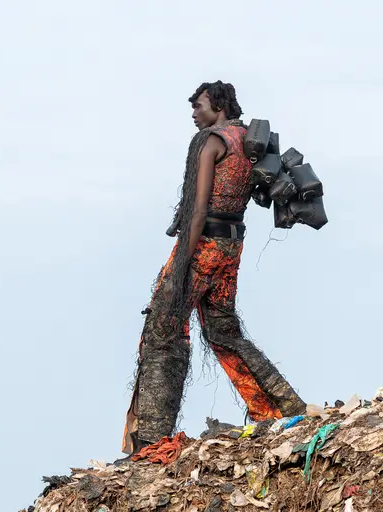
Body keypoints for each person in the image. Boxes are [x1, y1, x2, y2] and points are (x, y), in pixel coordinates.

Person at [119, 81, 306, 460]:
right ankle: (283, 408)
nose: (193, 114)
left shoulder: (210, 141)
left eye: (198, 106)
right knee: (223, 332)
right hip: (232, 245)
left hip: (203, 245)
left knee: (164, 327)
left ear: (218, 106)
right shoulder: (246, 141)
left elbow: (197, 209)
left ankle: (151, 439)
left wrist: (179, 271)